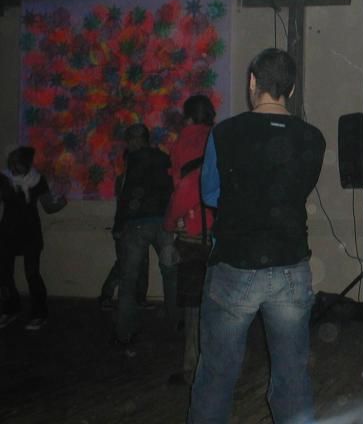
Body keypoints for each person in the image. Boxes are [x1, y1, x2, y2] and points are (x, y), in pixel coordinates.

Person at [189, 49, 326, 424]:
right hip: (290, 265)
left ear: (253, 82)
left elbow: (210, 194)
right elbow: (297, 190)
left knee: (217, 376)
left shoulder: (224, 133)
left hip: (235, 264)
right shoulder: (313, 138)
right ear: (291, 89)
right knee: (292, 377)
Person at [164, 94, 216, 386]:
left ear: (188, 116)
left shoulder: (184, 141)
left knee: (193, 305)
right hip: (221, 234)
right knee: (217, 304)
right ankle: (217, 365)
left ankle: (192, 368)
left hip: (192, 232)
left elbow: (184, 188)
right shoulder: (220, 137)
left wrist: (170, 223)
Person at [114, 123, 178, 354]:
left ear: (136, 139)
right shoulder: (162, 158)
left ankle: (125, 332)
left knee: (128, 281)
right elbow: (173, 188)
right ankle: (174, 325)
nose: (128, 144)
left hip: (137, 224)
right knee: (171, 277)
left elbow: (127, 195)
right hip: (163, 223)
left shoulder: (134, 160)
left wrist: (118, 225)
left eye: (130, 139)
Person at [0, 146, 66, 330]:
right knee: (4, 274)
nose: (14, 167)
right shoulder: (3, 179)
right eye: (12, 164)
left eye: (18, 164)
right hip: (7, 232)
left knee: (32, 274)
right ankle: (10, 309)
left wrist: (61, 203)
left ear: (27, 164)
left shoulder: (37, 180)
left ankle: (39, 314)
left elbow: (48, 207)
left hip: (30, 233)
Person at [98, 162, 151, 311]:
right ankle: (107, 296)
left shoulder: (137, 179)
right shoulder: (125, 179)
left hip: (138, 227)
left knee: (140, 263)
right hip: (128, 228)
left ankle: (139, 298)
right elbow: (124, 206)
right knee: (124, 263)